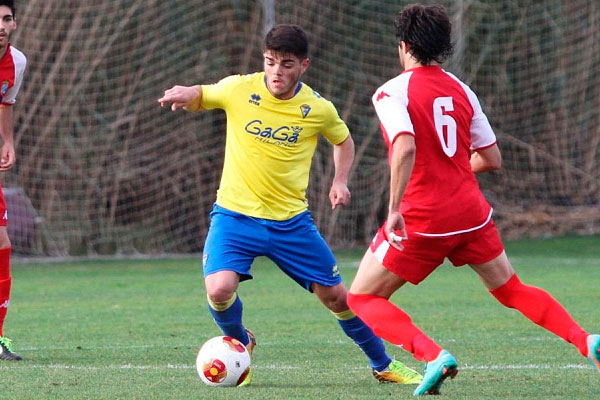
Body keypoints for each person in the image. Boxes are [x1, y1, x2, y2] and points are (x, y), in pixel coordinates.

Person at [346, 4, 600, 396]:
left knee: (362, 296)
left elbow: (404, 146)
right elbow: (491, 158)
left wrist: (394, 208)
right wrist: (451, 169)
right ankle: (587, 341)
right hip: (471, 215)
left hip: (424, 217)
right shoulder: (462, 89)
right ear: (443, 46)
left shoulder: (390, 92)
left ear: (403, 46)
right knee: (511, 289)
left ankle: (433, 356)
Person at [158, 24, 422, 386]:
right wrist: (188, 93)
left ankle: (383, 364)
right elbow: (204, 94)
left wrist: (339, 180)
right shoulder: (239, 89)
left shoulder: (316, 108)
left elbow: (342, 140)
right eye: (270, 62)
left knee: (338, 297)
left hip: (291, 224)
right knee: (219, 289)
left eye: (286, 64)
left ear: (304, 65)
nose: (276, 72)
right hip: (235, 217)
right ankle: (241, 341)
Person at [0, 0, 25, 362]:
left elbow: (5, 103)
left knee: (2, 243)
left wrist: (7, 140)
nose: (0, 26)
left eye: (5, 19)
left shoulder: (16, 62)